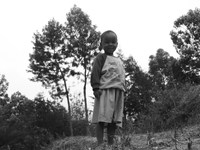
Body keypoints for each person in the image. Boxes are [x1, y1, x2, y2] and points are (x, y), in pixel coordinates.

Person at [90, 30, 125, 145]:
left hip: (118, 93)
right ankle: (100, 143)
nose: (110, 44)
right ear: (101, 44)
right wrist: (96, 88)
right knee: (102, 119)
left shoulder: (119, 60)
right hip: (105, 92)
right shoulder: (101, 58)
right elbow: (95, 72)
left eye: (113, 42)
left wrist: (123, 89)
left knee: (113, 120)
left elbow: (121, 76)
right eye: (107, 42)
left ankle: (110, 143)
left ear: (117, 44)